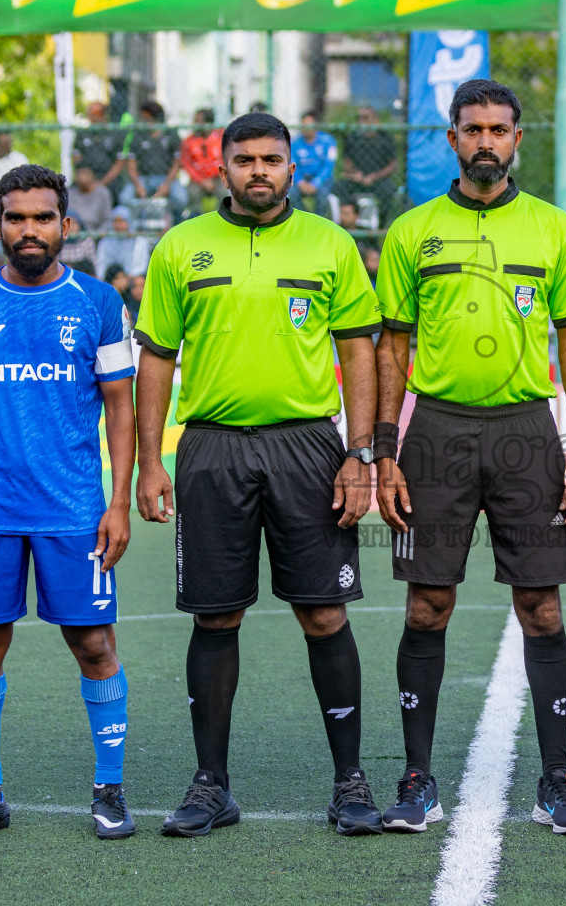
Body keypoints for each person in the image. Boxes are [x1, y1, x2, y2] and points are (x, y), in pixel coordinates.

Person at [133, 112, 385, 838]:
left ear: (292, 169)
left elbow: (359, 351)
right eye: (244, 159)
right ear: (222, 168)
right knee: (215, 616)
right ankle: (211, 785)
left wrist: (359, 453)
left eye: (271, 159)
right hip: (211, 448)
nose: (258, 171)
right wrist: (150, 461)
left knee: (324, 612)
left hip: (308, 446)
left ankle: (350, 781)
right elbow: (157, 357)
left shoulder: (330, 244)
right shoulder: (182, 248)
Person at [374, 79, 566, 836]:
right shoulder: (412, 231)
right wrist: (385, 449)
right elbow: (393, 346)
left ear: (516, 139)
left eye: (498, 130)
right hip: (435, 432)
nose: (484, 141)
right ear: (451, 139)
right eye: (471, 129)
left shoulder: (552, 229)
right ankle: (416, 777)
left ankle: (557, 778)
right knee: (426, 604)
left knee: (541, 606)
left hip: (527, 432)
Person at [0, 163, 138, 842]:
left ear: (66, 226)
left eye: (43, 217)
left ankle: (110, 791)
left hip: (75, 508)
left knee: (93, 644)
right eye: (15, 218)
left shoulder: (99, 302)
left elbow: (120, 409)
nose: (29, 230)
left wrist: (119, 503)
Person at [120, 101, 186, 219]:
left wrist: (166, 184)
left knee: (181, 199)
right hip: (143, 178)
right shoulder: (138, 135)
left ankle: (175, 225)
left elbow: (177, 164)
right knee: (125, 198)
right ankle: (134, 231)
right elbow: (131, 165)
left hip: (166, 177)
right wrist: (138, 185)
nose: (143, 120)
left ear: (156, 118)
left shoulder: (171, 134)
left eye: (146, 118)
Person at [338, 106, 401, 215]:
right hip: (357, 179)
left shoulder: (385, 137)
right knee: (339, 188)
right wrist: (354, 173)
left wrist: (374, 177)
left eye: (365, 118)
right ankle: (348, 221)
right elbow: (347, 161)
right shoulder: (352, 137)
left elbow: (393, 165)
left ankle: (382, 225)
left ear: (375, 120)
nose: (361, 121)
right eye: (359, 118)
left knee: (388, 191)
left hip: (379, 179)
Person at [290, 111, 338, 216]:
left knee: (322, 195)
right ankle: (305, 219)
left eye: (309, 125)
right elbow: (292, 165)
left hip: (322, 179)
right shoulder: (294, 143)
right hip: (301, 179)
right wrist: (300, 182)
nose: (306, 128)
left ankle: (319, 223)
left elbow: (329, 166)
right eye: (303, 125)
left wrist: (316, 182)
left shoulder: (328, 141)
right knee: (291, 194)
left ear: (316, 125)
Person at [73, 102, 128, 191]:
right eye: (90, 114)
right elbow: (76, 159)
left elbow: (119, 163)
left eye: (97, 114)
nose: (93, 117)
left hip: (109, 179)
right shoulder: (82, 134)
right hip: (87, 177)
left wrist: (102, 183)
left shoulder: (114, 134)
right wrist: (86, 178)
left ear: (104, 115)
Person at [180, 109, 223, 213]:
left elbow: (227, 160)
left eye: (199, 121)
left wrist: (218, 175)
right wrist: (202, 181)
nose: (195, 124)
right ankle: (197, 222)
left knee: (224, 193)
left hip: (219, 177)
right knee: (192, 193)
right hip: (198, 179)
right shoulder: (189, 141)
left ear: (208, 123)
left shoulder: (221, 137)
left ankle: (220, 222)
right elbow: (186, 163)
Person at [95, 206, 149, 280]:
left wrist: (126, 279)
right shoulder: (105, 242)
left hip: (132, 281)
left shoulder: (140, 242)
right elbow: (101, 265)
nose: (118, 225)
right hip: (110, 280)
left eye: (121, 221)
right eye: (115, 221)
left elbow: (142, 266)